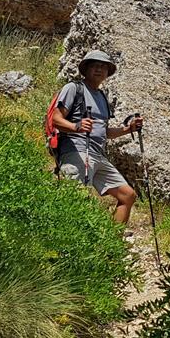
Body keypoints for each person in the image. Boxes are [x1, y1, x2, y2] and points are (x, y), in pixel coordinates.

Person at [52, 50, 142, 225]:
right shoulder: (74, 88)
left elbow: (103, 131)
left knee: (128, 195)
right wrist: (75, 127)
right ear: (86, 69)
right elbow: (56, 119)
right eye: (94, 65)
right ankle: (67, 246)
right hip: (76, 151)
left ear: (108, 72)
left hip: (98, 154)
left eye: (103, 67)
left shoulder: (101, 96)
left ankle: (111, 245)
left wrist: (128, 129)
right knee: (74, 200)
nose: (99, 69)